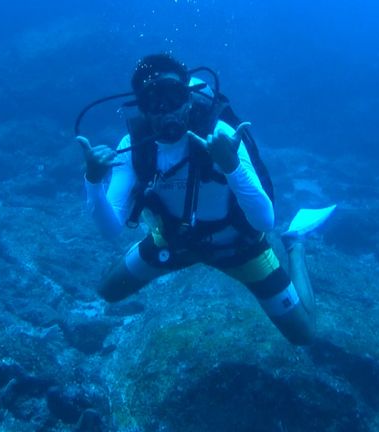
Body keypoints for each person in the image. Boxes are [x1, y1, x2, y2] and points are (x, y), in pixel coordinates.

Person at [76, 53, 317, 345]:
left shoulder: (221, 135)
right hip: (175, 243)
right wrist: (93, 180)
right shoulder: (134, 147)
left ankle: (295, 245)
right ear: (142, 107)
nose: (166, 111)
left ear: (189, 98)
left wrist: (231, 166)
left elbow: (265, 220)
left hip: (237, 246)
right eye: (154, 100)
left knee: (304, 335)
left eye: (174, 96)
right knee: (108, 292)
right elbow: (111, 229)